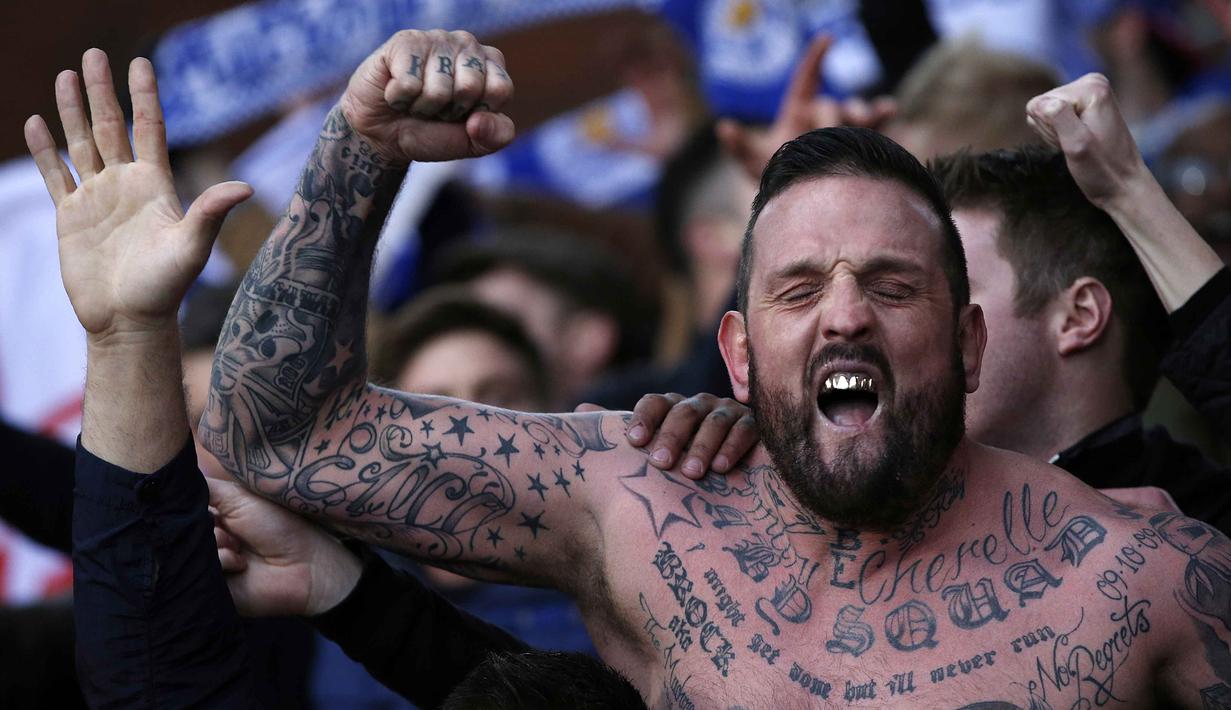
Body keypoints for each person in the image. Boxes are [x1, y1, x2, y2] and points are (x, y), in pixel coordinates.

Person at [197, 29, 1231, 706]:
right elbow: (279, 433)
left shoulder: (1142, 572)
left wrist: (1139, 202)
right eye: (794, 290)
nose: (843, 316)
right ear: (736, 352)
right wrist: (359, 152)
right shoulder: (642, 501)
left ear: (965, 343)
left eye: (891, 284)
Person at [24, 47, 752, 707]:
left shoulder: (653, 537)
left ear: (565, 413)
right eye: (429, 413)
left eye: (492, 406)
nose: (459, 440)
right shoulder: (297, 599)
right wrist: (126, 335)